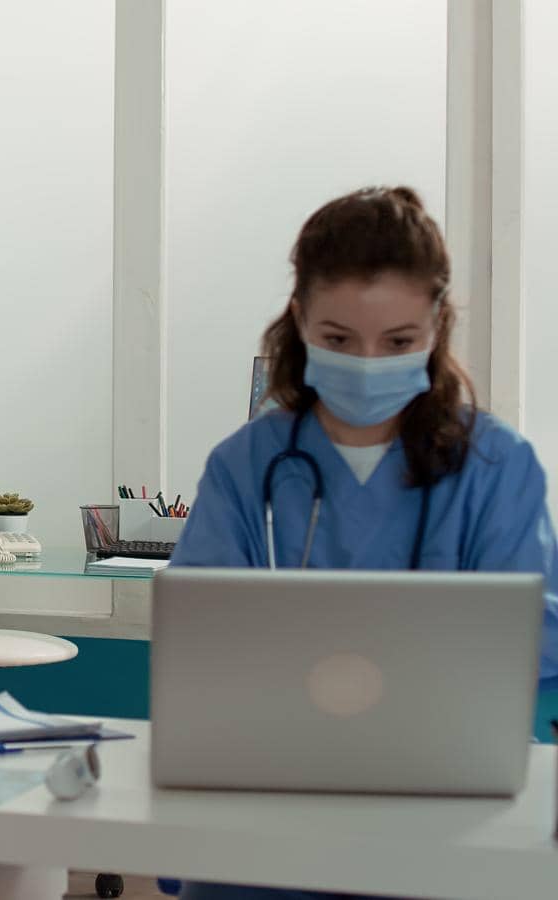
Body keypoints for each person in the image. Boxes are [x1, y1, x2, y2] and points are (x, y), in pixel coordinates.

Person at [169, 186, 558, 899]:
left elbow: (530, 638)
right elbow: (203, 639)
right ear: (300, 320)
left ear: (438, 324)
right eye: (340, 340)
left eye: (400, 341)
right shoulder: (245, 466)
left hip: (450, 798)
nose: (369, 362)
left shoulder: (498, 467)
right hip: (270, 798)